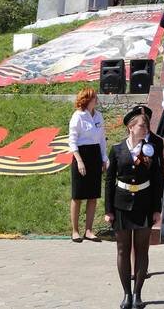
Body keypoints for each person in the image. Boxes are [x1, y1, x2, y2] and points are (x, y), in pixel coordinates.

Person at [105, 105, 164, 309]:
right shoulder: (117, 149)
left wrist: (157, 209)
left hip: (144, 204)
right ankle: (126, 294)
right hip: (121, 205)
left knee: (142, 250)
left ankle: (138, 294)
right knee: (123, 250)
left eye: (146, 126)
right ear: (131, 127)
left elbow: (158, 180)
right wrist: (108, 210)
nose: (145, 128)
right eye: (141, 125)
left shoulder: (151, 149)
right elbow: (109, 180)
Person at [67, 87, 108, 242]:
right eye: (94, 97)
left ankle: (89, 230)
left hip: (95, 154)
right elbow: (72, 140)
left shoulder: (98, 116)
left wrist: (104, 158)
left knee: (93, 195)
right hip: (81, 155)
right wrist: (79, 161)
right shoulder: (78, 116)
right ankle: (75, 231)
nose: (96, 99)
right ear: (86, 99)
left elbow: (102, 139)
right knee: (77, 195)